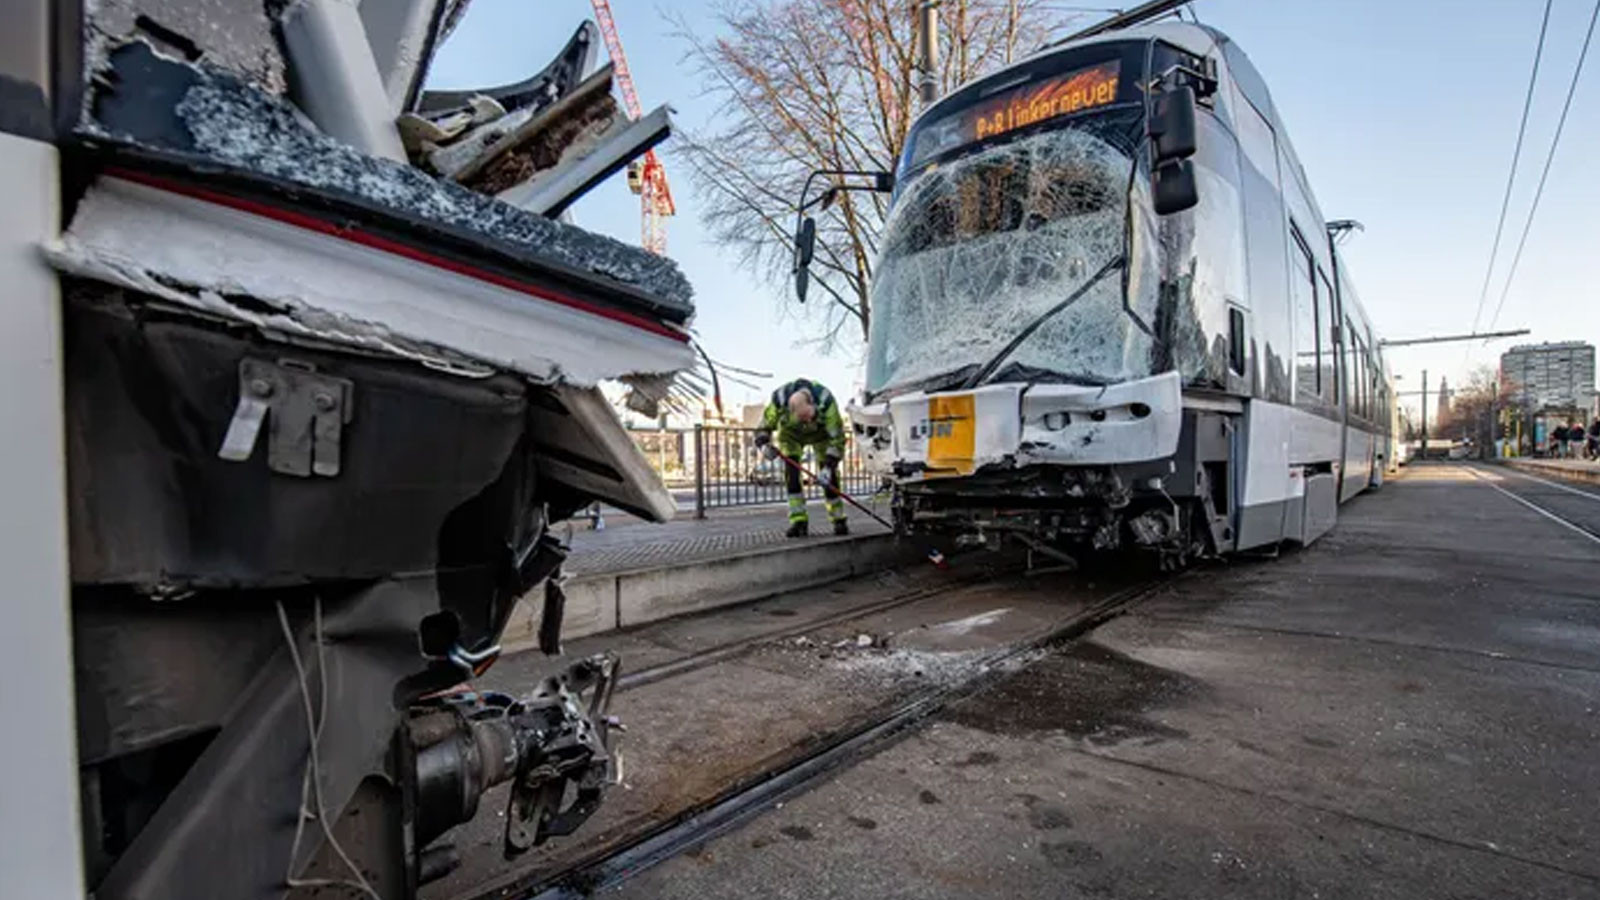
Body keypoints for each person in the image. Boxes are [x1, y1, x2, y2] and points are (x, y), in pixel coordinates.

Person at [754, 378, 849, 537]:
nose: (807, 422)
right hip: (791, 436)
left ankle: (839, 519)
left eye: (810, 416)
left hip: (821, 436)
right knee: (792, 475)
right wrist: (763, 445)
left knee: (830, 478)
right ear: (789, 411)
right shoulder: (779, 400)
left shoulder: (826, 401)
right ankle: (798, 521)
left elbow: (837, 438)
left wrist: (829, 466)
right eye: (802, 418)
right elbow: (764, 426)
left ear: (813, 404)